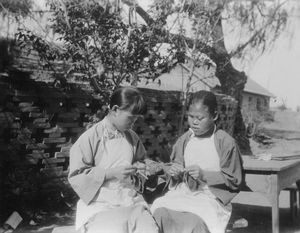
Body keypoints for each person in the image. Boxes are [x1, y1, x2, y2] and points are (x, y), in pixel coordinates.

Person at [68, 86, 159, 233]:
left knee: (149, 229)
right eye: (130, 118)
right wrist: (111, 173)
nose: (133, 123)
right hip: (101, 201)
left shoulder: (132, 137)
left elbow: (141, 160)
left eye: (136, 119)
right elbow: (77, 176)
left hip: (129, 198)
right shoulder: (90, 138)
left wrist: (141, 167)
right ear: (115, 110)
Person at [151, 90, 244, 233]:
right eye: (191, 116)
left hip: (210, 198)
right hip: (183, 193)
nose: (194, 122)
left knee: (195, 221)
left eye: (200, 118)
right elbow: (173, 171)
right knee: (159, 211)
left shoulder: (225, 142)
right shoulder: (185, 140)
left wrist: (204, 175)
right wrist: (174, 173)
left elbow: (234, 181)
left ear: (214, 116)